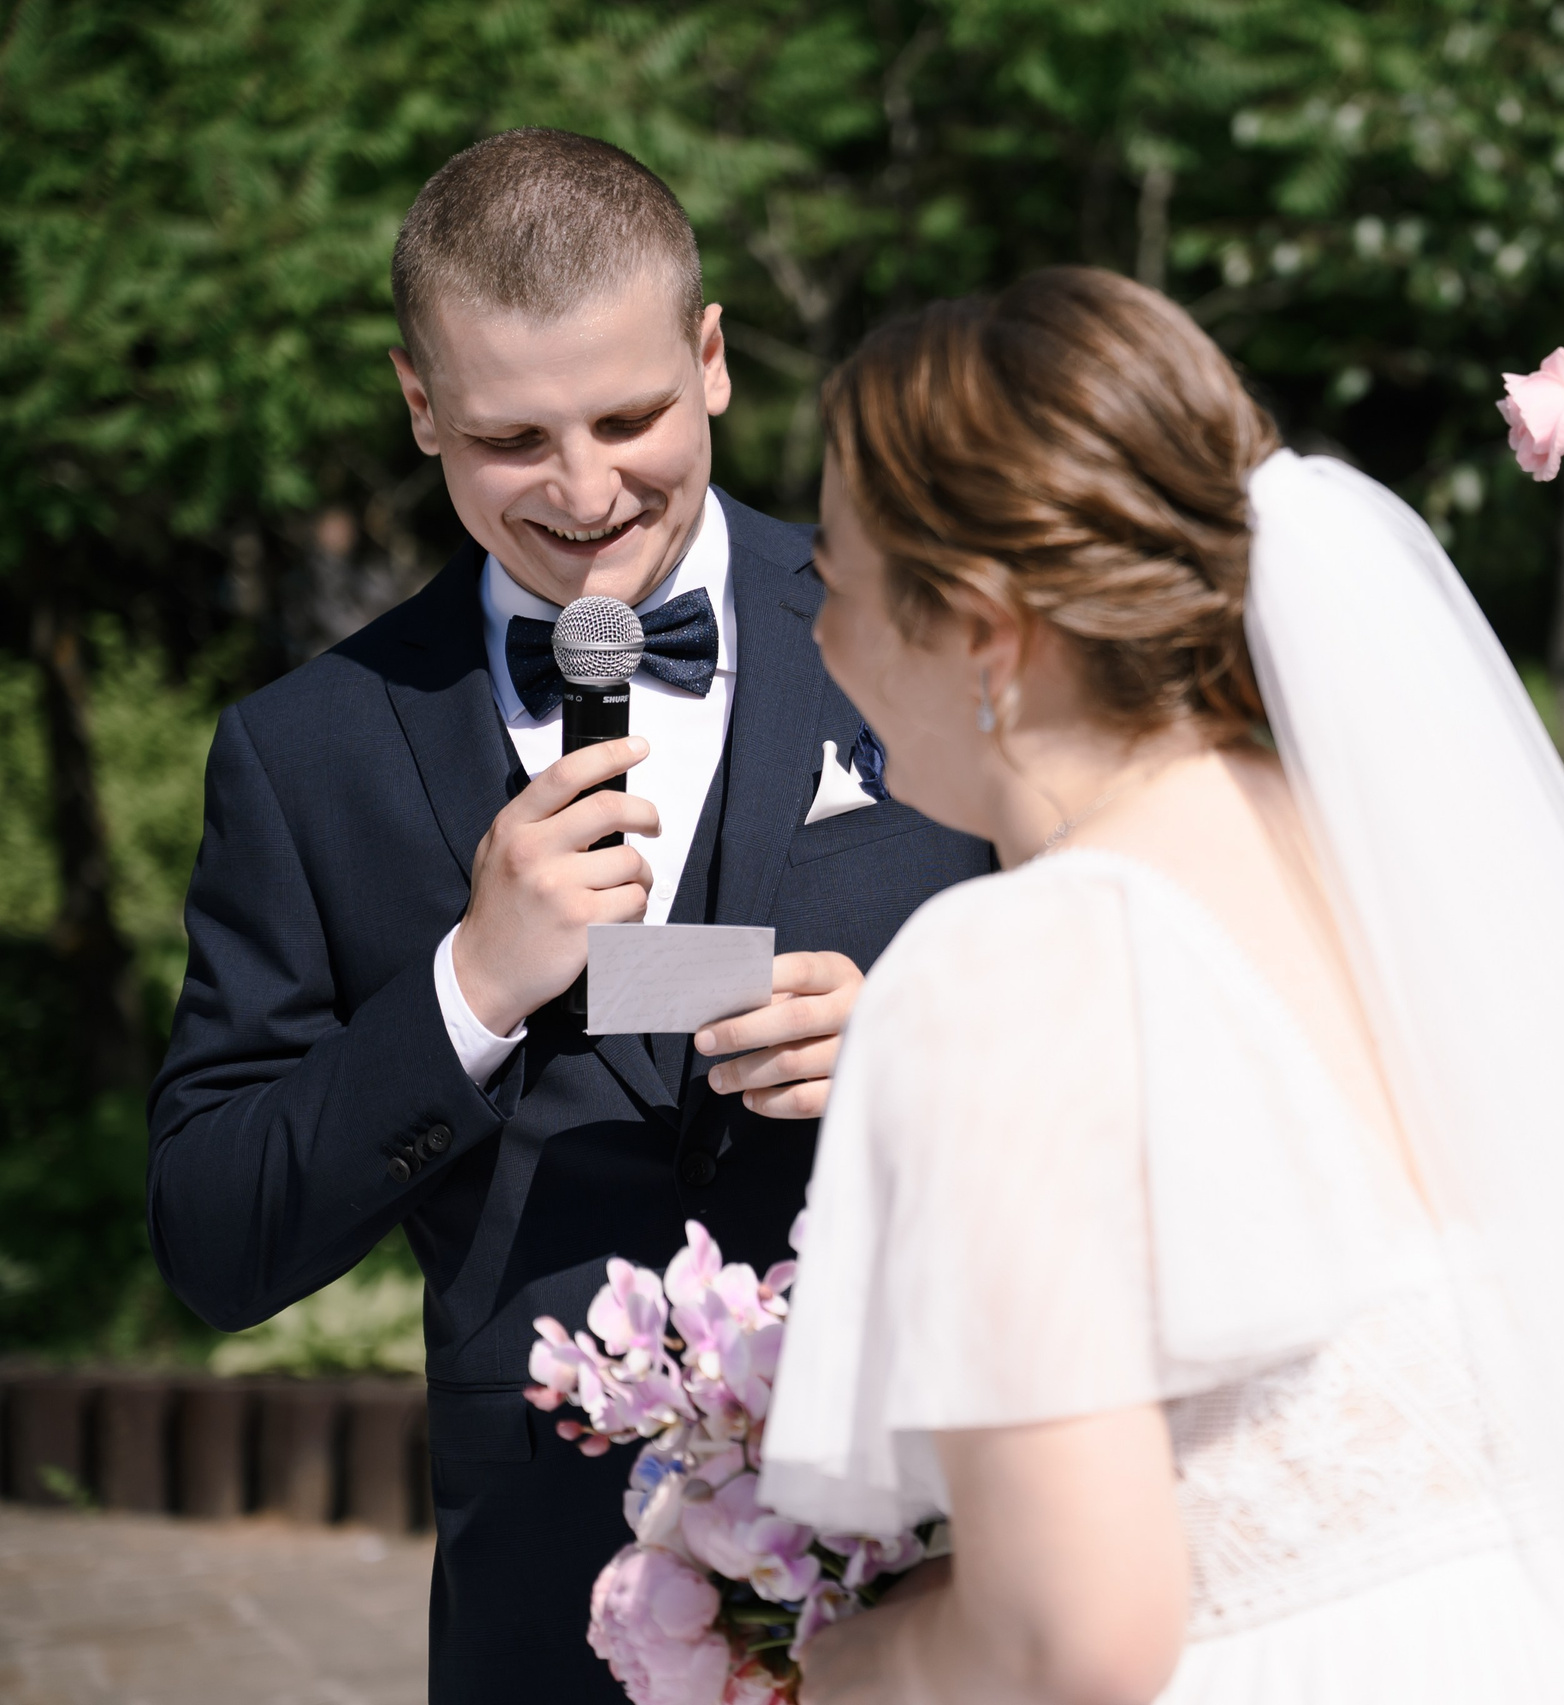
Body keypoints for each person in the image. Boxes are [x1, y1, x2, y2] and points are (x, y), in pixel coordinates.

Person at [759, 267, 1564, 1702]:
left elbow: (1072, 1635)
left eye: (837, 577)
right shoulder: (1424, 875)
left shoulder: (1014, 963)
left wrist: (845, 1664)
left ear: (988, 628)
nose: (817, 636)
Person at [145, 130, 989, 1702]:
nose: (589, 491)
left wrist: (926, 1045)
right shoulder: (304, 750)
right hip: (550, 1609)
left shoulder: (946, 625)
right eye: (512, 438)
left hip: (952, 1551)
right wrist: (467, 986)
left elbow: (1161, 1022)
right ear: (417, 407)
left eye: (629, 416)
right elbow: (213, 1231)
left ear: (716, 356)